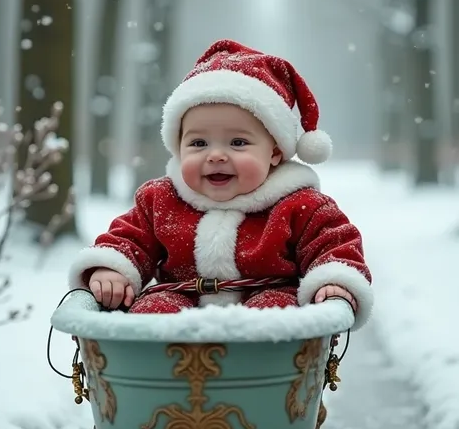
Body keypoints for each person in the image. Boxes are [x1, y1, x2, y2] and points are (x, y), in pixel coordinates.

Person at [69, 39, 373, 326]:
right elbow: (130, 239)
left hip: (268, 304)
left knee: (277, 311)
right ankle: (159, 372)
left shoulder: (300, 205)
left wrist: (333, 281)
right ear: (178, 147)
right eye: (198, 143)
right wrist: (112, 269)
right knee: (154, 310)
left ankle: (260, 371)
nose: (215, 156)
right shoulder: (161, 200)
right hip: (182, 299)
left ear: (275, 152)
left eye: (238, 142)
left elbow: (333, 245)